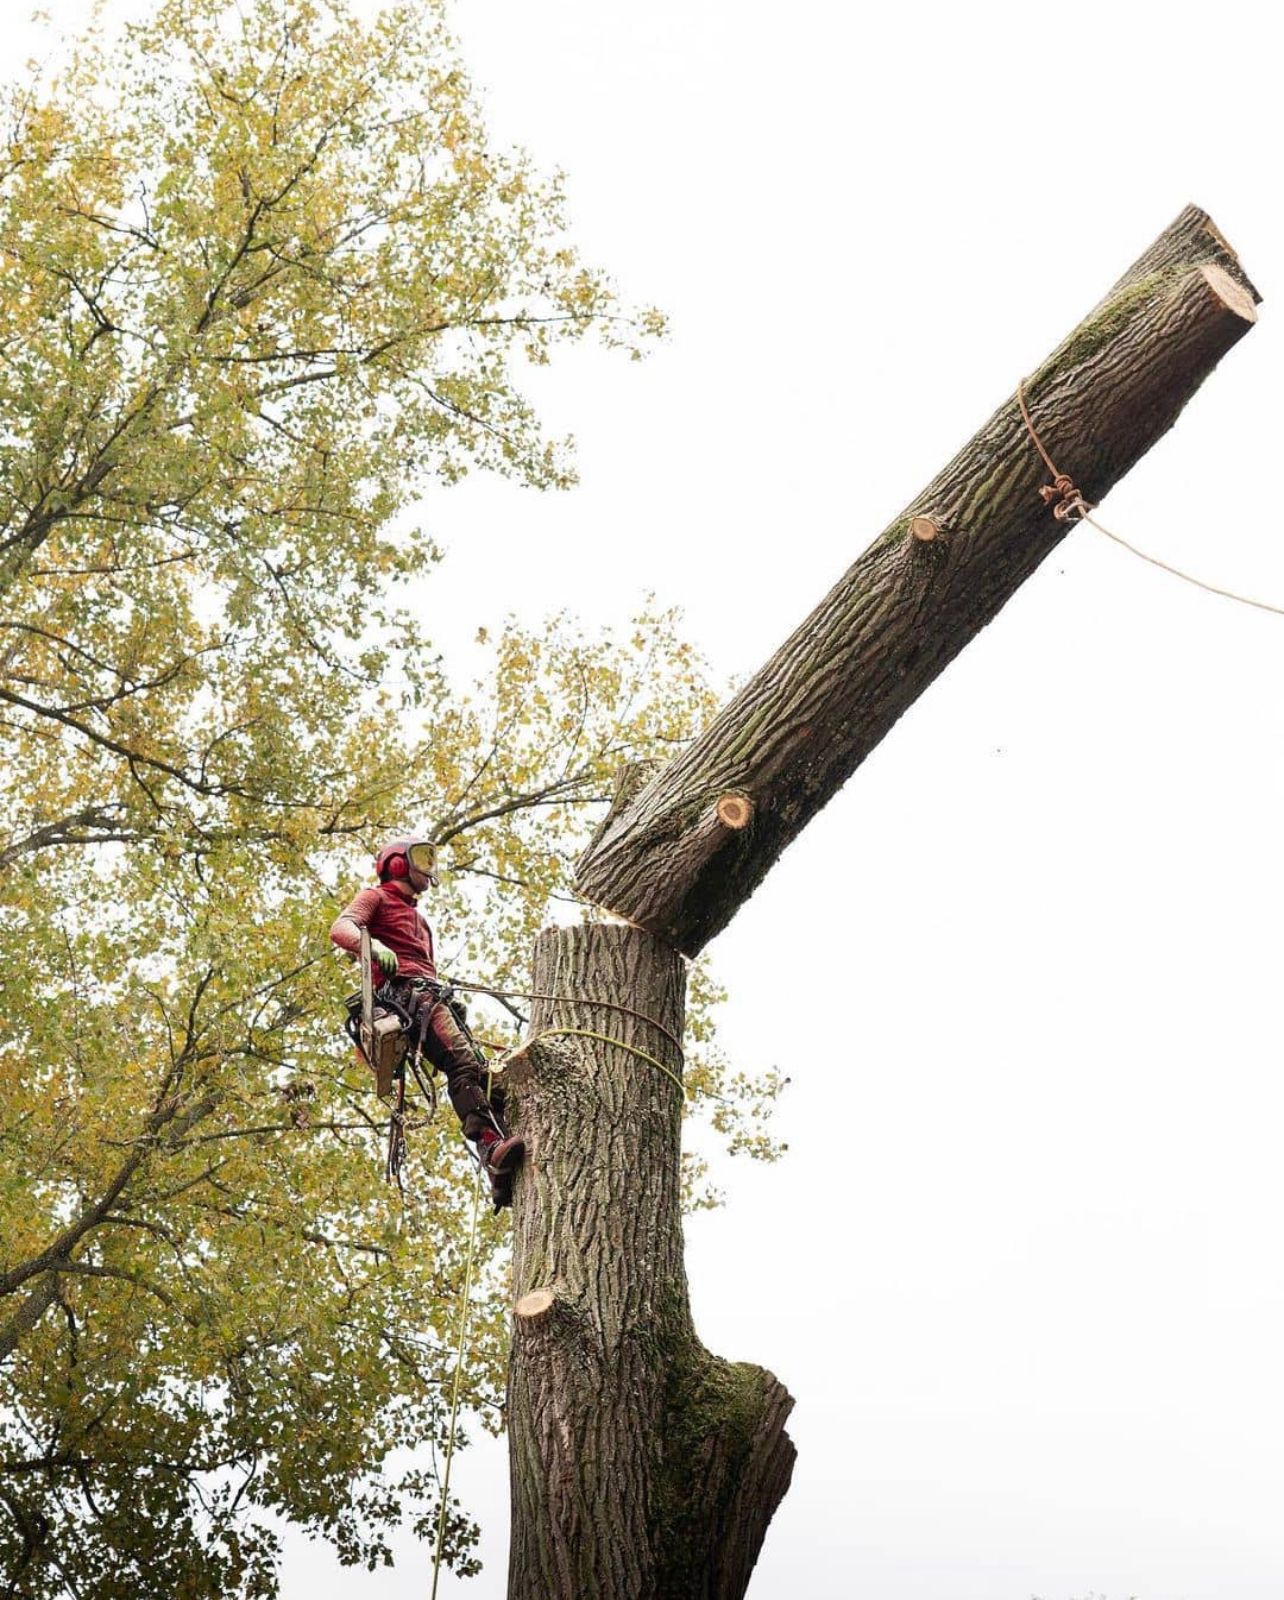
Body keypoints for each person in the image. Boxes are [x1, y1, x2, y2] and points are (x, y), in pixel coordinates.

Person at [330, 835, 524, 1205]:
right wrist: (373, 946)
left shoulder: (420, 920)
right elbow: (342, 928)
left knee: (483, 1073)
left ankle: (497, 1164)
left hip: (429, 996)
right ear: (398, 863)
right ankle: (489, 1144)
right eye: (421, 857)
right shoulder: (376, 897)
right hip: (406, 997)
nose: (428, 866)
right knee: (464, 1063)